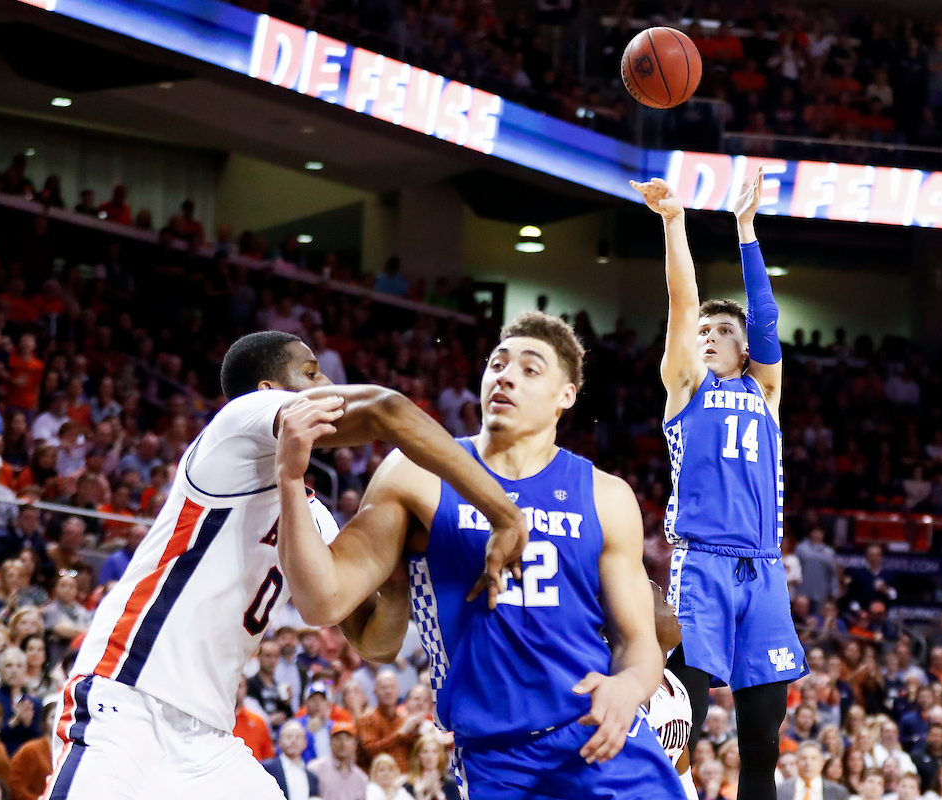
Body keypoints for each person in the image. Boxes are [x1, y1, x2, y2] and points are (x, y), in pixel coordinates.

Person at [42, 330, 526, 799]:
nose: (328, 388)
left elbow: (372, 642)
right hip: (126, 696)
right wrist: (502, 512)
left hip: (207, 736)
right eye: (312, 374)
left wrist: (397, 578)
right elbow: (387, 409)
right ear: (268, 393)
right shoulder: (236, 423)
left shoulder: (311, 512)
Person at [276, 311, 684, 799]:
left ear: (565, 397)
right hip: (498, 759)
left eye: (530, 369)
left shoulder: (605, 495)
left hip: (601, 737)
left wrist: (629, 686)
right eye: (498, 363)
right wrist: (289, 478)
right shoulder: (415, 475)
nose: (506, 376)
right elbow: (322, 601)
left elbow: (639, 640)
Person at [636, 170, 806, 800]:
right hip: (701, 567)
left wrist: (746, 228)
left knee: (762, 737)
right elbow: (684, 305)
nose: (708, 337)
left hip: (762, 570)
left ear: (745, 351)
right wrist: (675, 223)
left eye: (721, 333)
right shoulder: (685, 387)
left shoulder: (766, 392)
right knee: (688, 726)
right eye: (704, 333)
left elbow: (764, 314)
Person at [643, 584, 695, 799]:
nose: (673, 608)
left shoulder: (673, 682)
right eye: (663, 602)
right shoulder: (632, 690)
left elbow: (681, 767)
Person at [356, 670, 418, 772]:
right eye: (383, 688)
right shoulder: (367, 719)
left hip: (404, 777)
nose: (388, 691)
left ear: (398, 690)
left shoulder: (404, 719)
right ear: (375, 691)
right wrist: (400, 734)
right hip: (377, 778)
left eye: (392, 687)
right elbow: (371, 751)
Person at [0, 649, 40, 757]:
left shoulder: (35, 703)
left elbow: (40, 740)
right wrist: (14, 722)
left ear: (25, 670)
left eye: (19, 666)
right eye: (9, 666)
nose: (14, 670)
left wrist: (28, 724)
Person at [262, 721, 321, 800]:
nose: (293, 741)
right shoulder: (267, 769)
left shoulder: (312, 776)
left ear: (305, 743)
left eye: (298, 737)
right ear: (279, 742)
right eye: (288, 737)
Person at [309, 722, 368, 800]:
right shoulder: (315, 769)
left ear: (355, 744)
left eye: (347, 739)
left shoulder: (361, 778)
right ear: (330, 742)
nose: (343, 743)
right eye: (338, 739)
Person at [777, 742, 847, 800]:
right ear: (797, 762)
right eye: (804, 758)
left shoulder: (837, 793)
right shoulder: (780, 790)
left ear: (822, 763)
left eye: (813, 759)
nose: (808, 763)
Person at [404, 733, 459, 800]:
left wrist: (439, 794)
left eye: (434, 752)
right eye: (425, 752)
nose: (430, 756)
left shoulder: (450, 785)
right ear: (418, 756)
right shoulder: (409, 785)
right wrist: (419, 795)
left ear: (440, 756)